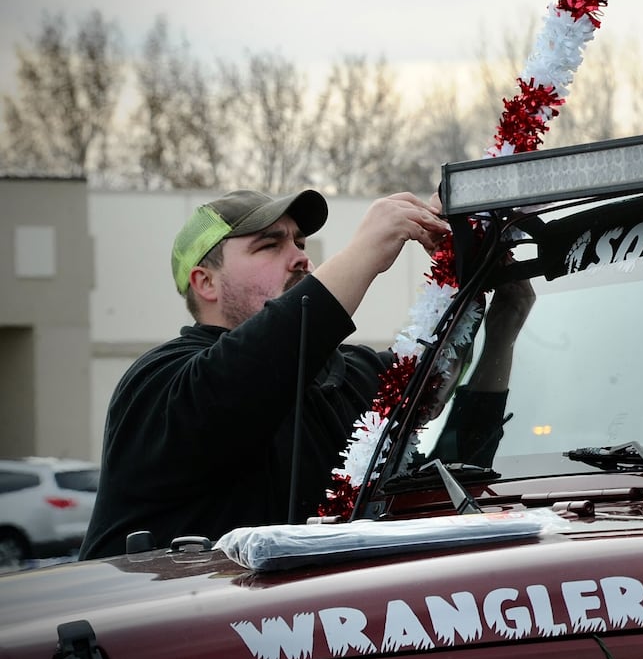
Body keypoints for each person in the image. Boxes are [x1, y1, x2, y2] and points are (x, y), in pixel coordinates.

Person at [79, 188, 532, 560]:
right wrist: (367, 250)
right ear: (206, 283)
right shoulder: (158, 384)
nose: (299, 257)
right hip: (148, 655)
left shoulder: (342, 374)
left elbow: (435, 409)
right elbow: (250, 370)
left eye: (298, 242)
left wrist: (496, 318)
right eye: (269, 245)